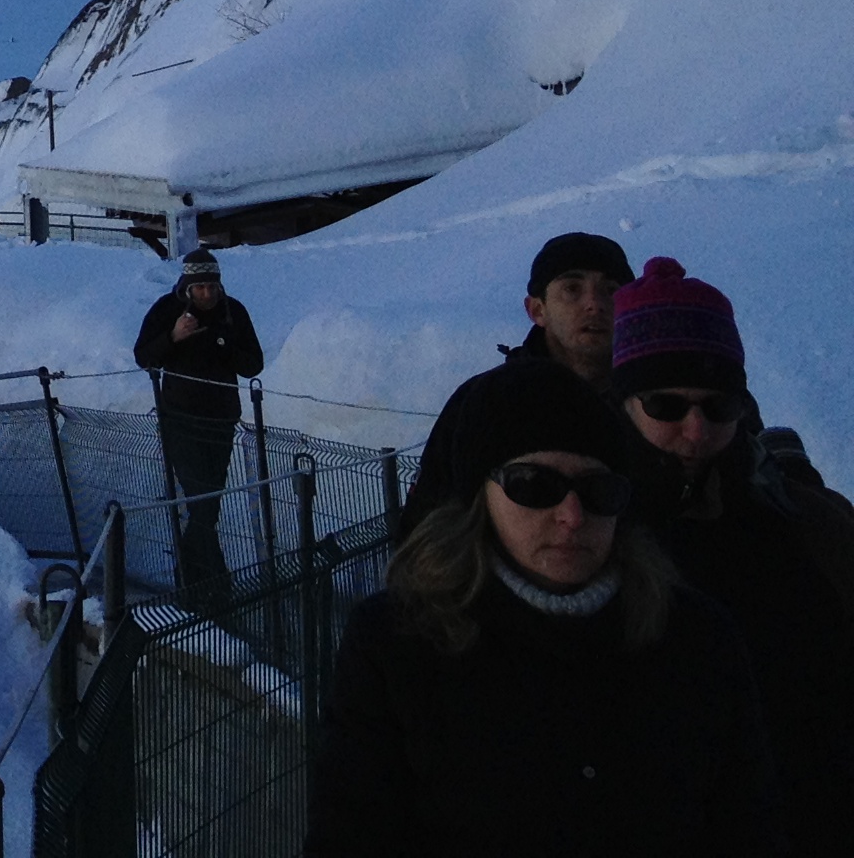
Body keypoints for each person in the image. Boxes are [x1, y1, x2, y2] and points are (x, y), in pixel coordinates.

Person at [308, 357, 784, 855]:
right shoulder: (397, 644)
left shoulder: (697, 642)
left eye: (599, 490)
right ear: (480, 495)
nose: (573, 516)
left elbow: (750, 828)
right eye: (534, 485)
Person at [607, 257, 854, 858]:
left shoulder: (803, 523)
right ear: (624, 402)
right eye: (667, 405)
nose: (695, 430)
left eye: (718, 408)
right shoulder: (581, 527)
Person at [397, 230, 632, 541]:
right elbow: (424, 527)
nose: (595, 304)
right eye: (572, 289)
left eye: (611, 290)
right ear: (537, 310)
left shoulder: (660, 406)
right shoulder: (483, 403)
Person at [134, 245, 262, 609]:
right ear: (187, 287)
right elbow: (143, 356)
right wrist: (173, 337)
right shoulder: (167, 309)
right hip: (180, 419)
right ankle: (213, 584)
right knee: (201, 499)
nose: (207, 294)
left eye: (212, 286)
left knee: (209, 503)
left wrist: (225, 346)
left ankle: (195, 583)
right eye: (200, 287)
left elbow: (254, 364)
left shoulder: (233, 312)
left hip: (221, 421)